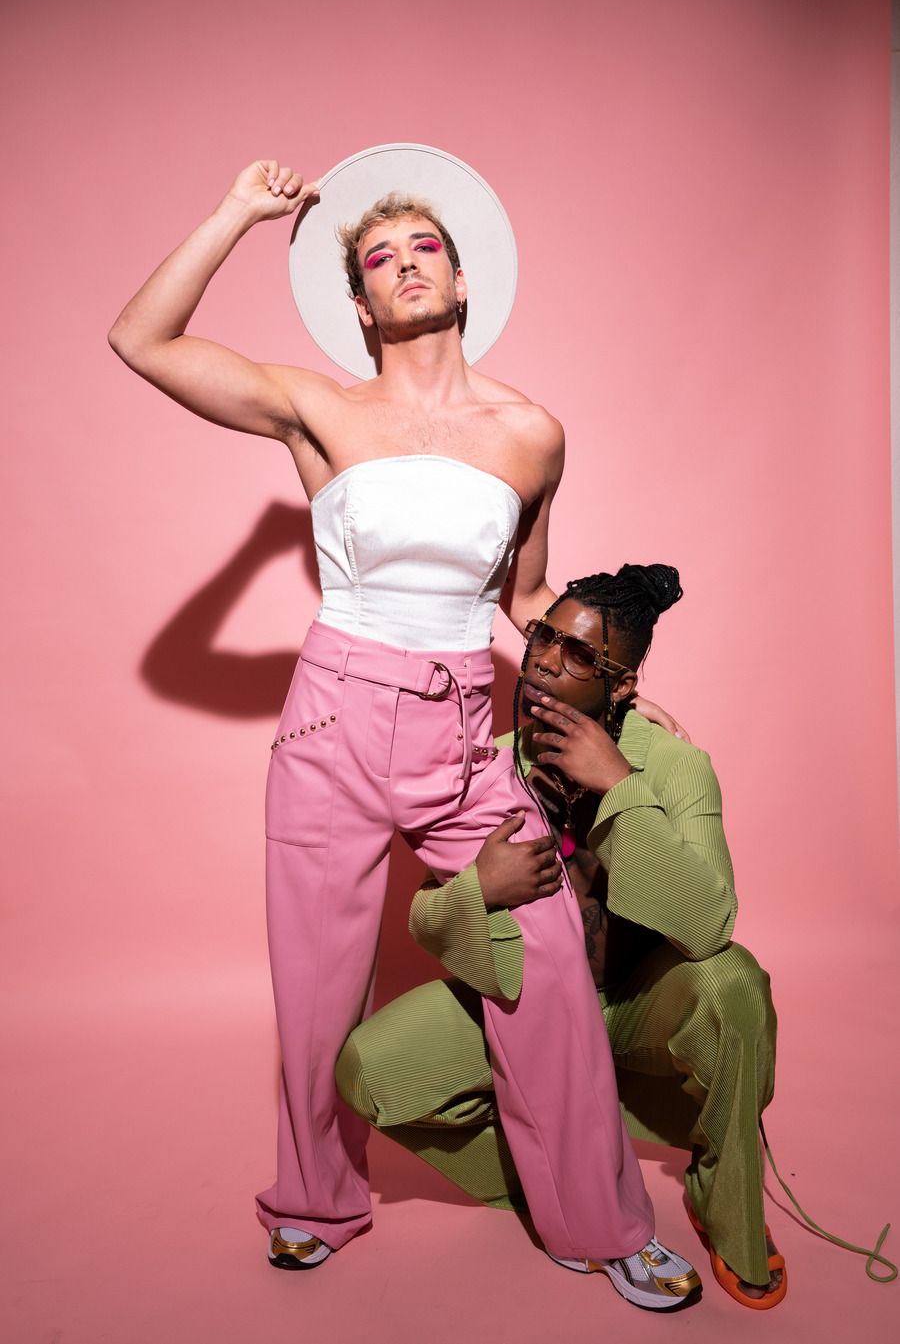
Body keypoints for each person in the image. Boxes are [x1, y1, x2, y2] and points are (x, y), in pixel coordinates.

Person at [107, 154, 697, 1307]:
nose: (406, 264)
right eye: (380, 258)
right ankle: (317, 1199)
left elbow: (525, 597)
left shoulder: (531, 432)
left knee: (547, 960)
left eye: (425, 246)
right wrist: (236, 212)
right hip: (330, 720)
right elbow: (141, 340)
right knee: (317, 986)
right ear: (362, 305)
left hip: (463, 736)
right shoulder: (317, 407)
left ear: (462, 281)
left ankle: (598, 1221)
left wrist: (613, 682)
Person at [337, 563, 785, 1309]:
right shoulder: (491, 763)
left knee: (733, 982)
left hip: (633, 1008)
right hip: (527, 1013)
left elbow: (709, 924)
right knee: (366, 1071)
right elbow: (425, 917)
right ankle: (554, 1182)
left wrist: (620, 786)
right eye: (543, 637)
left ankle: (724, 1201)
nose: (544, 659)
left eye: (577, 654)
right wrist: (481, 889)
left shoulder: (676, 766)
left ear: (622, 684)